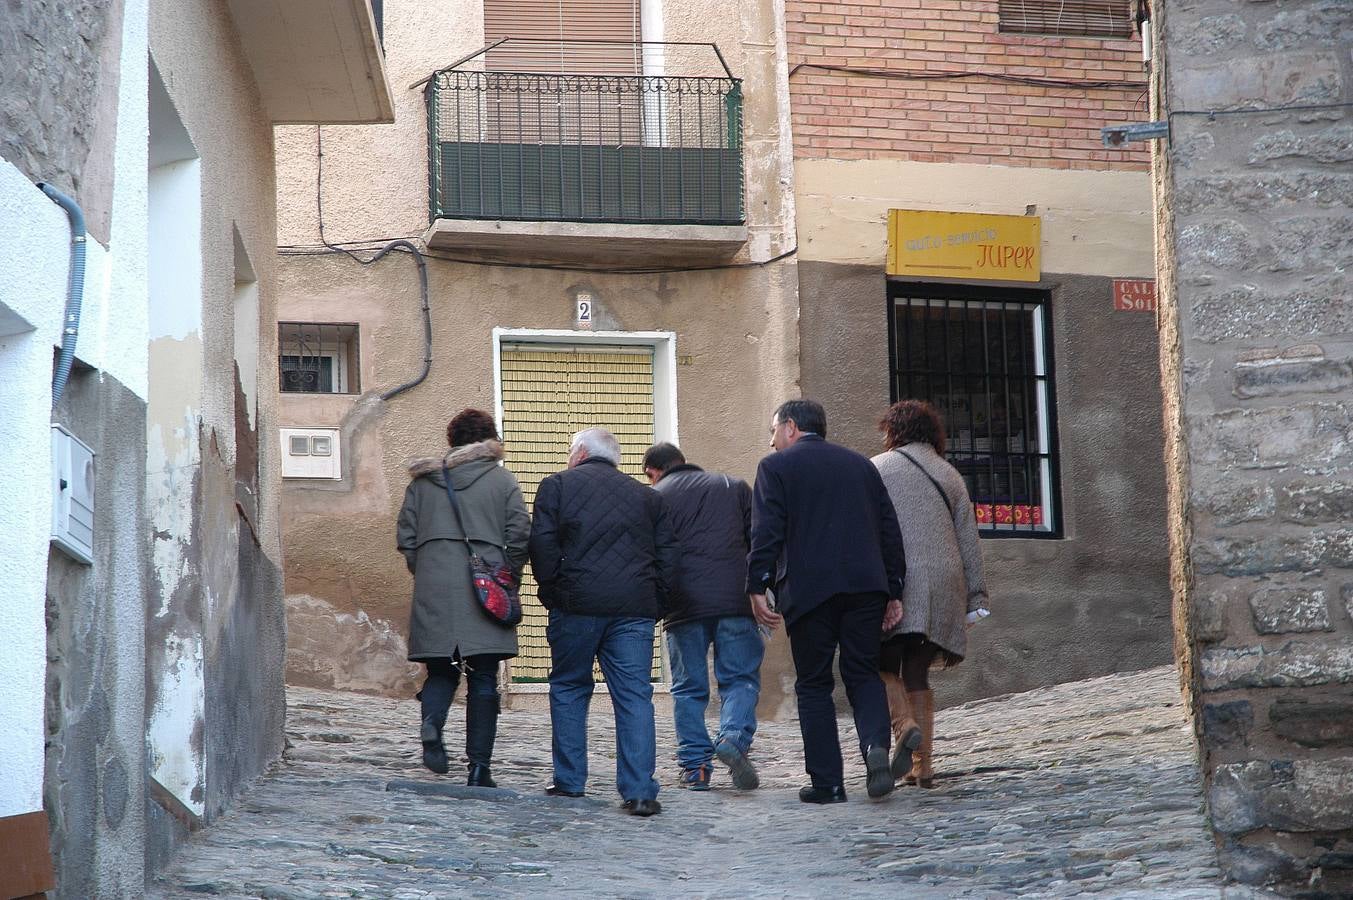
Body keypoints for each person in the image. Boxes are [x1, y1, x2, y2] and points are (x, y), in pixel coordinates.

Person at [747, 399, 906, 804]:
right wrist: (894, 589)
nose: (771, 442)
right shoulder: (862, 465)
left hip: (808, 588)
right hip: (866, 588)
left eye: (773, 431)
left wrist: (757, 585)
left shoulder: (776, 468)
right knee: (863, 673)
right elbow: (889, 529)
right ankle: (875, 750)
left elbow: (766, 532)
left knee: (814, 684)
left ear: (791, 428)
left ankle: (828, 783)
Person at [529, 428, 678, 817]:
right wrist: (656, 602)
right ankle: (641, 791)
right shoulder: (647, 496)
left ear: (579, 453)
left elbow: (542, 545)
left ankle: (570, 781)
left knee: (568, 686)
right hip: (634, 609)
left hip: (576, 605)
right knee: (634, 696)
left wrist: (552, 593)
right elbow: (668, 556)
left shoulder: (557, 486)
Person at [397, 408, 530, 786]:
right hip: (485, 585)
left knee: (441, 668)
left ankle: (431, 725)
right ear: (490, 441)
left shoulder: (422, 484)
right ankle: (479, 768)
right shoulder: (502, 480)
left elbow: (405, 536)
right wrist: (508, 576)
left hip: (434, 585)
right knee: (484, 675)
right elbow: (519, 533)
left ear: (452, 441)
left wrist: (425, 571)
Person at [872, 400, 989, 788]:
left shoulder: (876, 468)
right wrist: (976, 599)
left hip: (898, 579)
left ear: (893, 430)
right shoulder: (950, 474)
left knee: (882, 662)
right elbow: (968, 541)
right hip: (944, 581)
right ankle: (923, 767)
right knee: (918, 668)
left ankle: (904, 726)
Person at [642, 441, 761, 792]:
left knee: (688, 689)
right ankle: (734, 739)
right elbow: (759, 541)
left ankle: (696, 769)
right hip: (735, 600)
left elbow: (649, 553)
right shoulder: (734, 486)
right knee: (740, 679)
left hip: (683, 606)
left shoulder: (655, 497)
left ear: (656, 470)